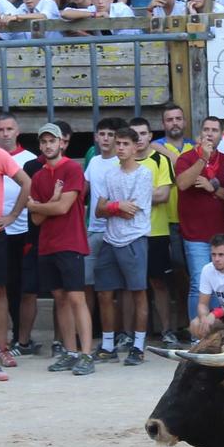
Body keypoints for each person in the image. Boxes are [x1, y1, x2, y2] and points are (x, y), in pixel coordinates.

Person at [27, 122, 96, 374]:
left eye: (52, 141)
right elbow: (36, 220)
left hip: (71, 242)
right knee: (60, 299)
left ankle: (86, 353)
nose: (48, 145)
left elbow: (61, 208)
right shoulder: (38, 176)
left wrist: (43, 205)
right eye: (44, 142)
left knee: (76, 297)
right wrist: (51, 202)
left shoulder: (72, 169)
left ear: (61, 143)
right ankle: (70, 351)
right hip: (47, 245)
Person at [91, 122, 155, 363]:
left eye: (125, 144)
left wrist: (111, 207)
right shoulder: (109, 174)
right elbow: (98, 210)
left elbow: (132, 211)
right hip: (110, 238)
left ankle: (138, 346)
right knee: (104, 293)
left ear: (135, 147)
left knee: (138, 293)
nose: (120, 148)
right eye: (118, 143)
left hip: (134, 239)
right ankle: (108, 346)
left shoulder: (144, 173)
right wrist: (117, 206)